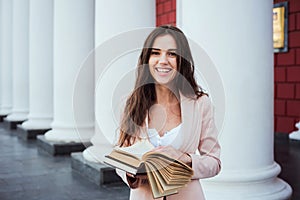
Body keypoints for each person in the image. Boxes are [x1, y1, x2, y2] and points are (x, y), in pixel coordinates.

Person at [115, 25, 221, 200]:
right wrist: (132, 172)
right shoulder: (130, 103)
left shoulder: (201, 104)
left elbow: (214, 162)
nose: (163, 60)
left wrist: (183, 158)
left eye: (172, 54)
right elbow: (120, 156)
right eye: (155, 53)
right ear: (147, 59)